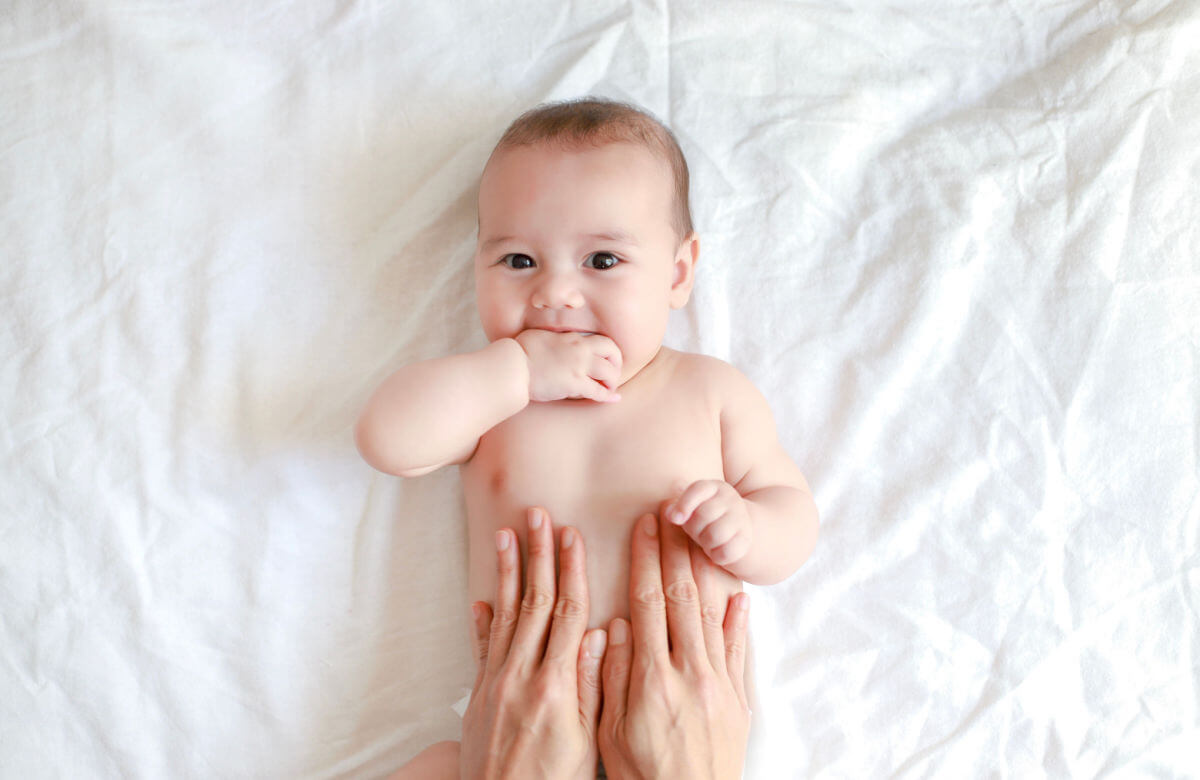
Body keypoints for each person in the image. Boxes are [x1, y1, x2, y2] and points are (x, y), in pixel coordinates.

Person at [356, 97, 818, 630]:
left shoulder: (709, 391)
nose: (555, 292)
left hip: (686, 694)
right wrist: (518, 372)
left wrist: (749, 530)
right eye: (519, 260)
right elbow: (385, 439)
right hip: (522, 699)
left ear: (676, 274)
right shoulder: (489, 398)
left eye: (602, 260)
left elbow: (792, 510)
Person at [391, 507, 752, 778]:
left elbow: (788, 509)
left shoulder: (720, 404)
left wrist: (748, 526)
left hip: (519, 735)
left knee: (440, 763)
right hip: (696, 733)